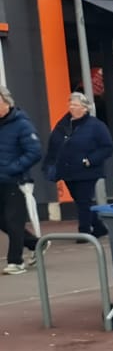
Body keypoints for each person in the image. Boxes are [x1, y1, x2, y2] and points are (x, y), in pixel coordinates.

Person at [46, 92, 113, 238]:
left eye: (75, 105)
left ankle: (84, 233)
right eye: (70, 104)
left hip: (87, 171)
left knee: (83, 201)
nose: (71, 107)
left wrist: (90, 160)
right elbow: (54, 144)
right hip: (68, 170)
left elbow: (107, 147)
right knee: (81, 202)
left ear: (85, 108)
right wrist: (51, 164)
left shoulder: (96, 126)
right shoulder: (63, 124)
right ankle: (99, 227)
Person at [0, 88, 40, 275]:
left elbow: (34, 152)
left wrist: (13, 168)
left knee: (14, 220)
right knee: (3, 221)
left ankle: (16, 261)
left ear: (7, 102)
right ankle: (36, 244)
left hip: (16, 181)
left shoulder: (22, 124)